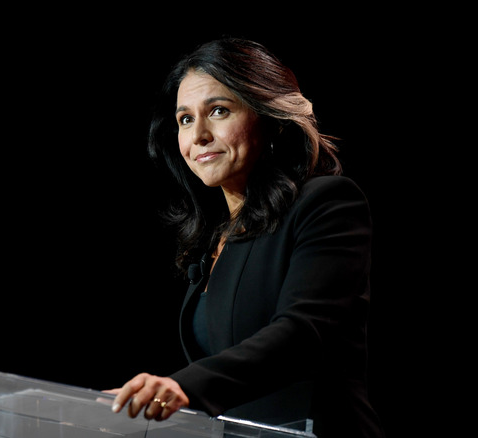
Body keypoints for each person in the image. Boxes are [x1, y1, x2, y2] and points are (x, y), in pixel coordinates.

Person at [107, 38, 385, 438]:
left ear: (268, 118)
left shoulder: (326, 203)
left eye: (219, 111)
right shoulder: (214, 242)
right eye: (185, 119)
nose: (198, 135)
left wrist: (183, 386)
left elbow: (305, 333)